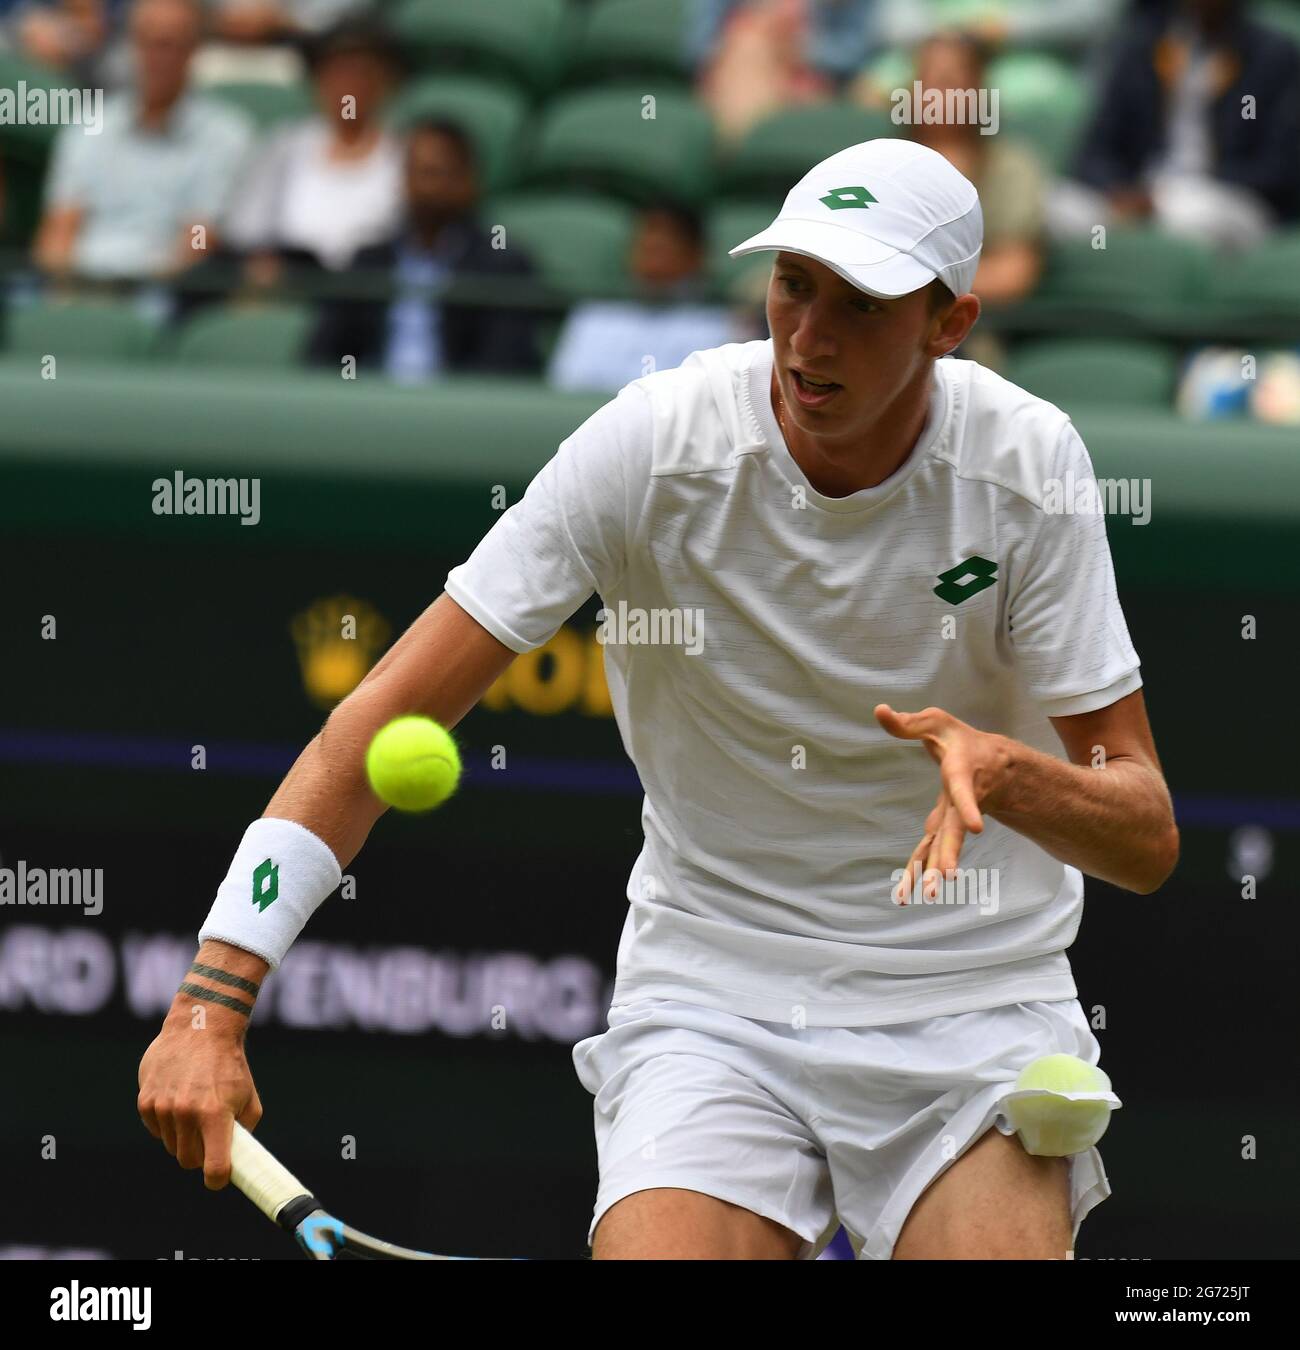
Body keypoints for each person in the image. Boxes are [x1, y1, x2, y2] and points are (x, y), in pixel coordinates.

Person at [137, 138, 1178, 1260]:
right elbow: (378, 723)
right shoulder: (652, 441)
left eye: (861, 306)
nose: (808, 337)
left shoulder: (1027, 466)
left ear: (949, 324)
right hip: (715, 991)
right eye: (792, 286)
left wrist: (1014, 773)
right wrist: (209, 1001)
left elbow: (1146, 836)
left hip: (973, 992)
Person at [31, 0, 254, 283]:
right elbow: (60, 227)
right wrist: (64, 291)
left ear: (194, 50)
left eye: (168, 44)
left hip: (163, 294)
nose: (156, 57)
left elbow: (200, 236)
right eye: (145, 42)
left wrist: (168, 277)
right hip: (80, 287)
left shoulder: (226, 136)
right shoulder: (90, 126)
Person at [1051, 0, 1300, 249]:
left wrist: (1166, 196)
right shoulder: (1142, 48)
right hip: (1136, 197)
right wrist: (1119, 190)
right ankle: (1101, 268)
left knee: (1187, 217)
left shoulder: (1271, 56)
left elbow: (1277, 171)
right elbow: (1094, 152)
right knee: (1058, 209)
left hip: (1222, 201)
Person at [305, 119, 543, 378]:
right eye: (415, 172)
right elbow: (321, 358)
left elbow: (502, 368)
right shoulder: (368, 261)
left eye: (435, 172)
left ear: (467, 180)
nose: (424, 187)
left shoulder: (502, 266)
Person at [222, 17, 404, 276]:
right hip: (291, 287)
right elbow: (246, 232)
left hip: (366, 292)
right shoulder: (284, 147)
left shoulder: (403, 156)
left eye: (361, 73)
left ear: (385, 83)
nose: (349, 88)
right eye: (339, 73)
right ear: (319, 82)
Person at [548, 202, 741, 392]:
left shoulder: (723, 325)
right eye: (644, 248)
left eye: (661, 249)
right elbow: (567, 392)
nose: (650, 261)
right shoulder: (591, 318)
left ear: (696, 254)